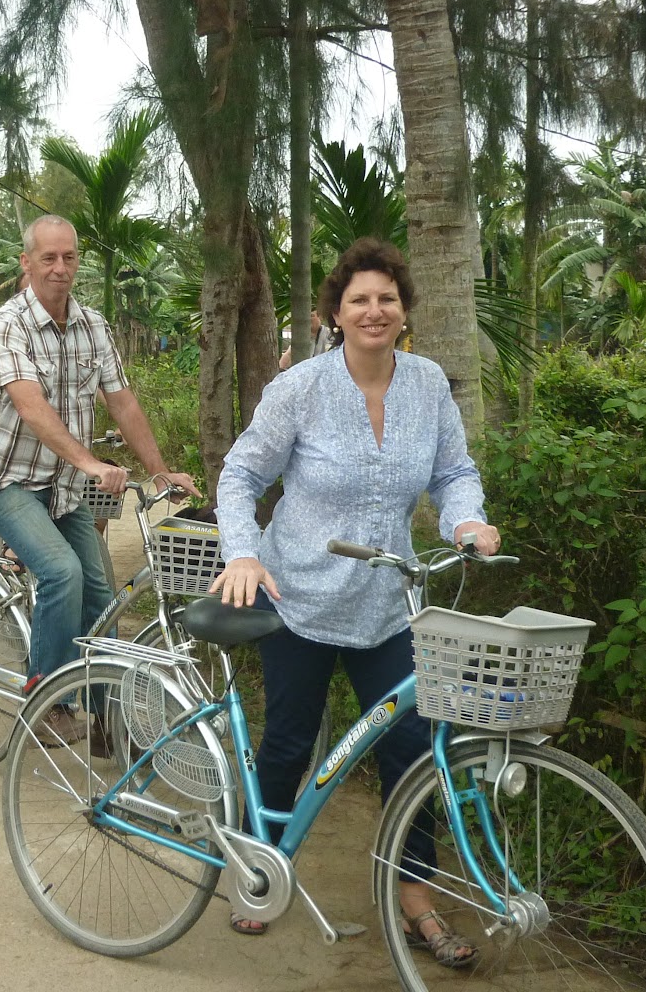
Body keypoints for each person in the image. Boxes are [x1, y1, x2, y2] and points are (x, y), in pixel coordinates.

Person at [209, 237, 500, 965]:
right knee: (287, 742)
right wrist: (243, 552)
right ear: (336, 313)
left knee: (412, 750)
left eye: (387, 298)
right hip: (299, 597)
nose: (375, 310)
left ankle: (415, 899)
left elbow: (454, 469)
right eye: (360, 299)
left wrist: (467, 519)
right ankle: (258, 869)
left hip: (383, 604)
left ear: (404, 310)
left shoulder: (429, 383)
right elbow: (241, 475)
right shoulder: (300, 389)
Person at [0, 215, 200, 746]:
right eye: (48, 257)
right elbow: (29, 405)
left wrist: (159, 470)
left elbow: (122, 401)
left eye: (69, 257)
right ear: (27, 263)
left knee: (101, 595)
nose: (60, 267)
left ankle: (105, 715)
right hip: (6, 481)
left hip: (64, 488)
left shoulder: (93, 325)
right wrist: (90, 463)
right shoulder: (8, 324)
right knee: (61, 574)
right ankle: (44, 699)